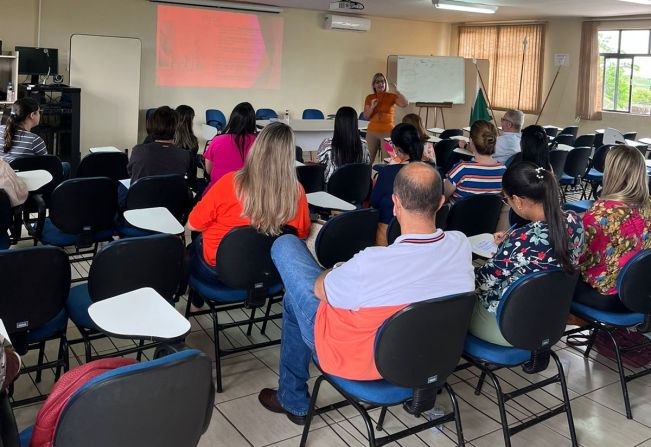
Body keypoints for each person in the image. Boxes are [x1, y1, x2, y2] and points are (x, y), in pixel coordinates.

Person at [257, 162, 475, 425]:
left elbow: (318, 289)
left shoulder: (372, 263)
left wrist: (336, 270)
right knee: (294, 300)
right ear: (440, 202)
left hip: (361, 360)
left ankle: (293, 399)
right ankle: (290, 398)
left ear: (395, 203)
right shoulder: (460, 245)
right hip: (426, 358)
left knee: (286, 245)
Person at [186, 122, 311, 301]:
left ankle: (196, 299)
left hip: (217, 273)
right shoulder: (296, 192)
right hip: (269, 274)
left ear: (257, 148)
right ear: (290, 155)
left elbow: (192, 224)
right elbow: (301, 234)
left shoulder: (229, 182)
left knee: (193, 247)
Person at [472, 162, 584, 346]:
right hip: (550, 320)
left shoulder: (520, 240)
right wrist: (507, 247)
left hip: (509, 326)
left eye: (506, 198)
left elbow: (481, 283)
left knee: (454, 307)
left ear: (518, 200)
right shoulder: (575, 221)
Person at [575, 145, 651, 312]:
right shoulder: (647, 205)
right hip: (642, 293)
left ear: (611, 173)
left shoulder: (602, 213)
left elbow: (579, 258)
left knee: (557, 276)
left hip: (610, 298)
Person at [371, 123, 423, 245]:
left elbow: (374, 202)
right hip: (420, 234)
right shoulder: (430, 171)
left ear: (395, 148)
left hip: (388, 235)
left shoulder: (387, 173)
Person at [445, 120, 505, 204]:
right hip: (488, 217)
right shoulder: (503, 170)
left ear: (471, 142)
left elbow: (443, 196)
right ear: (494, 142)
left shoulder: (461, 169)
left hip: (459, 216)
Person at [127, 106, 191, 183]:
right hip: (172, 194)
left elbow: (131, 173)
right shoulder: (185, 155)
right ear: (176, 128)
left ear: (151, 125)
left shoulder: (138, 150)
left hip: (143, 194)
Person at [203, 102, 257, 193]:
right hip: (247, 195)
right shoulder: (259, 143)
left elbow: (208, 170)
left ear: (232, 120)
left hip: (216, 193)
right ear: (252, 121)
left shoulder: (217, 140)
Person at [363, 73, 408, 164]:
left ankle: (385, 178)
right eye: (377, 82)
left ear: (385, 83)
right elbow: (366, 116)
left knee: (389, 161)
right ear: (374, 85)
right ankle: (367, 178)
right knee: (367, 161)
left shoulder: (391, 96)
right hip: (372, 132)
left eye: (383, 81)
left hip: (388, 133)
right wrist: (372, 107)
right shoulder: (370, 97)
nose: (380, 84)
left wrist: (397, 91)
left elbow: (405, 104)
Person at [316, 106, 370, 182]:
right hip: (358, 189)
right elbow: (367, 164)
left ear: (337, 123)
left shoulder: (327, 144)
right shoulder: (364, 144)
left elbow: (319, 165)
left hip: (331, 190)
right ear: (355, 123)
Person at [1, 97, 47, 164]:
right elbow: (47, 166)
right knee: (65, 165)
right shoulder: (35, 140)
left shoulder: (1, 129)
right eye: (39, 112)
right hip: (22, 174)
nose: (40, 115)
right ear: (32, 115)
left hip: (2, 173)